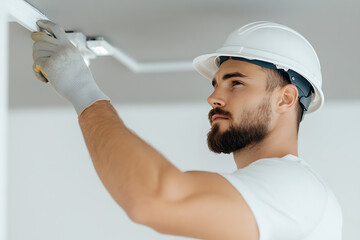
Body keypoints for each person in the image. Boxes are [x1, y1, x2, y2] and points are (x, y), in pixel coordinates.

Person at [31, 20, 342, 240]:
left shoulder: (294, 187)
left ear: (285, 98)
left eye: (236, 82)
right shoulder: (277, 194)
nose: (214, 98)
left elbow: (153, 198)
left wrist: (82, 90)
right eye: (216, 84)